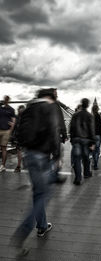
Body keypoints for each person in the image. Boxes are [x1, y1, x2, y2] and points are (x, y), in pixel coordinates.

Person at [10, 88, 60, 256]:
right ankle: (22, 232)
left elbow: (17, 133)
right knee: (44, 194)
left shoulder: (28, 108)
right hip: (42, 157)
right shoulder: (48, 108)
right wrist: (57, 157)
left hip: (28, 155)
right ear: (50, 98)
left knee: (38, 193)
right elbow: (54, 132)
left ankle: (42, 226)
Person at [70, 98, 95, 185]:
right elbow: (92, 130)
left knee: (77, 159)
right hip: (86, 140)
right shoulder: (89, 116)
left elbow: (71, 128)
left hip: (76, 140)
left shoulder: (75, 115)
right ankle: (87, 173)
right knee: (86, 158)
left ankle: (78, 178)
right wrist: (92, 142)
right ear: (87, 105)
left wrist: (72, 139)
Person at [0, 96, 16, 172]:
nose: (5, 100)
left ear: (8, 100)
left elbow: (13, 121)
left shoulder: (11, 109)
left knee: (4, 148)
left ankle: (3, 165)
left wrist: (10, 131)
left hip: (6, 131)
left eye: (7, 99)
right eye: (4, 99)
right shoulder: (1, 108)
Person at [11, 105, 25, 172]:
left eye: (21, 109)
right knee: (19, 151)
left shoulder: (27, 117)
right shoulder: (16, 117)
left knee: (24, 151)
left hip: (25, 136)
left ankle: (23, 163)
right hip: (18, 136)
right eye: (19, 109)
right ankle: (18, 166)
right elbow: (14, 126)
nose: (20, 110)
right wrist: (13, 136)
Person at [91, 105, 101, 170]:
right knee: (97, 150)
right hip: (98, 135)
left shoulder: (91, 116)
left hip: (92, 135)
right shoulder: (99, 116)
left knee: (93, 150)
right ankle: (95, 164)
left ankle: (93, 162)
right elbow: (100, 126)